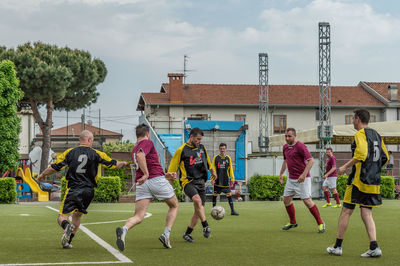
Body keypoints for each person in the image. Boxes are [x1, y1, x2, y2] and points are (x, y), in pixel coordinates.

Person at [36, 130, 129, 249]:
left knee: (62, 217)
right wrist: (124, 162)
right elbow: (114, 164)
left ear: (80, 140)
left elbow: (55, 167)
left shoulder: (70, 152)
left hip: (73, 189)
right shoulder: (97, 153)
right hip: (89, 191)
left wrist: (42, 175)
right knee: (77, 216)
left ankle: (66, 227)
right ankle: (67, 242)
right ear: (90, 140)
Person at [327, 109, 388, 257]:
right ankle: (374, 247)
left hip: (358, 181)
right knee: (366, 213)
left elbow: (361, 153)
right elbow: (384, 157)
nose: (352, 121)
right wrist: (373, 169)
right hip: (373, 181)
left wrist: (344, 167)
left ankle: (337, 247)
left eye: (353, 118)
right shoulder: (377, 135)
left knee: (346, 211)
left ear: (358, 119)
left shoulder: (360, 134)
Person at [115, 124, 179, 251]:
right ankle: (166, 235)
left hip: (142, 184)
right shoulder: (147, 142)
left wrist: (165, 174)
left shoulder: (134, 148)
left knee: (139, 216)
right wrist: (147, 174)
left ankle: (124, 229)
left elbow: (145, 162)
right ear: (147, 134)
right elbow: (141, 156)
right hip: (154, 180)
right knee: (174, 205)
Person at [168, 127, 216, 243]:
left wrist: (213, 171)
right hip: (187, 182)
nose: (199, 141)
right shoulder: (181, 150)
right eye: (198, 139)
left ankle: (187, 234)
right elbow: (172, 169)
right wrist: (170, 186)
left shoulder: (201, 148)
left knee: (198, 210)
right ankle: (206, 225)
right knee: (197, 201)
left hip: (201, 182)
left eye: (200, 139)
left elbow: (207, 161)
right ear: (191, 136)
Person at [279, 128, 325, 233]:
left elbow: (311, 161)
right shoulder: (285, 147)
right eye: (285, 136)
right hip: (291, 179)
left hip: (303, 180)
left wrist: (303, 175)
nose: (287, 138)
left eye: (289, 136)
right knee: (286, 200)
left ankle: (321, 223)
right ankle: (293, 222)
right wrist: (281, 174)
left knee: (307, 201)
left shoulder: (300, 146)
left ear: (295, 136)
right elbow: (285, 161)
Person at [211, 143, 239, 215]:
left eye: (223, 149)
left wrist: (232, 179)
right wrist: (212, 178)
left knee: (229, 195)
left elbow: (231, 170)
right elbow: (213, 168)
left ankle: (232, 211)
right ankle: (213, 211)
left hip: (225, 181)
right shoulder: (216, 158)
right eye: (221, 149)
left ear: (226, 149)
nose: (222, 150)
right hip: (217, 180)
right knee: (215, 195)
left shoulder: (228, 158)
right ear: (219, 149)